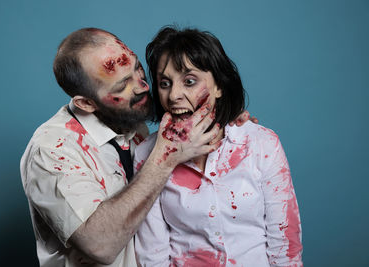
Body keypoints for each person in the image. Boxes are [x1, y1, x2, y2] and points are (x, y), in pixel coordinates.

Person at [20, 27, 252, 267]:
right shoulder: (51, 149)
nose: (143, 86)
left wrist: (224, 121)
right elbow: (100, 246)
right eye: (122, 86)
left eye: (137, 68)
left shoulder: (134, 128)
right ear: (86, 103)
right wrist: (167, 157)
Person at [134, 26, 303, 267]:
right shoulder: (146, 156)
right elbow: (153, 255)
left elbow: (285, 244)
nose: (174, 95)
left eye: (189, 81)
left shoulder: (262, 144)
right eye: (165, 83)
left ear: (219, 87)